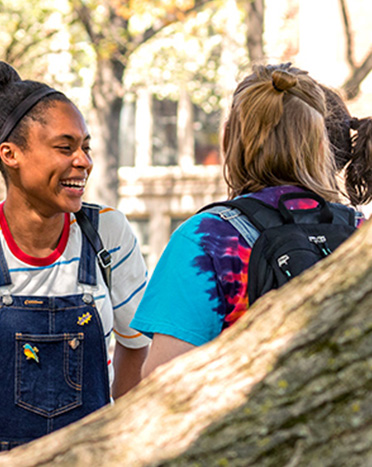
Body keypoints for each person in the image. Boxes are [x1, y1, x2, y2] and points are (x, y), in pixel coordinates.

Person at [0, 60, 150, 465]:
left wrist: (117, 439)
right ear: (11, 154)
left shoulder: (108, 234)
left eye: (85, 147)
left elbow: (136, 345)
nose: (83, 161)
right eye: (65, 147)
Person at [130, 63, 368, 378]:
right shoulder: (359, 234)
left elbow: (162, 382)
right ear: (322, 145)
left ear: (229, 138)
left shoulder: (206, 240)